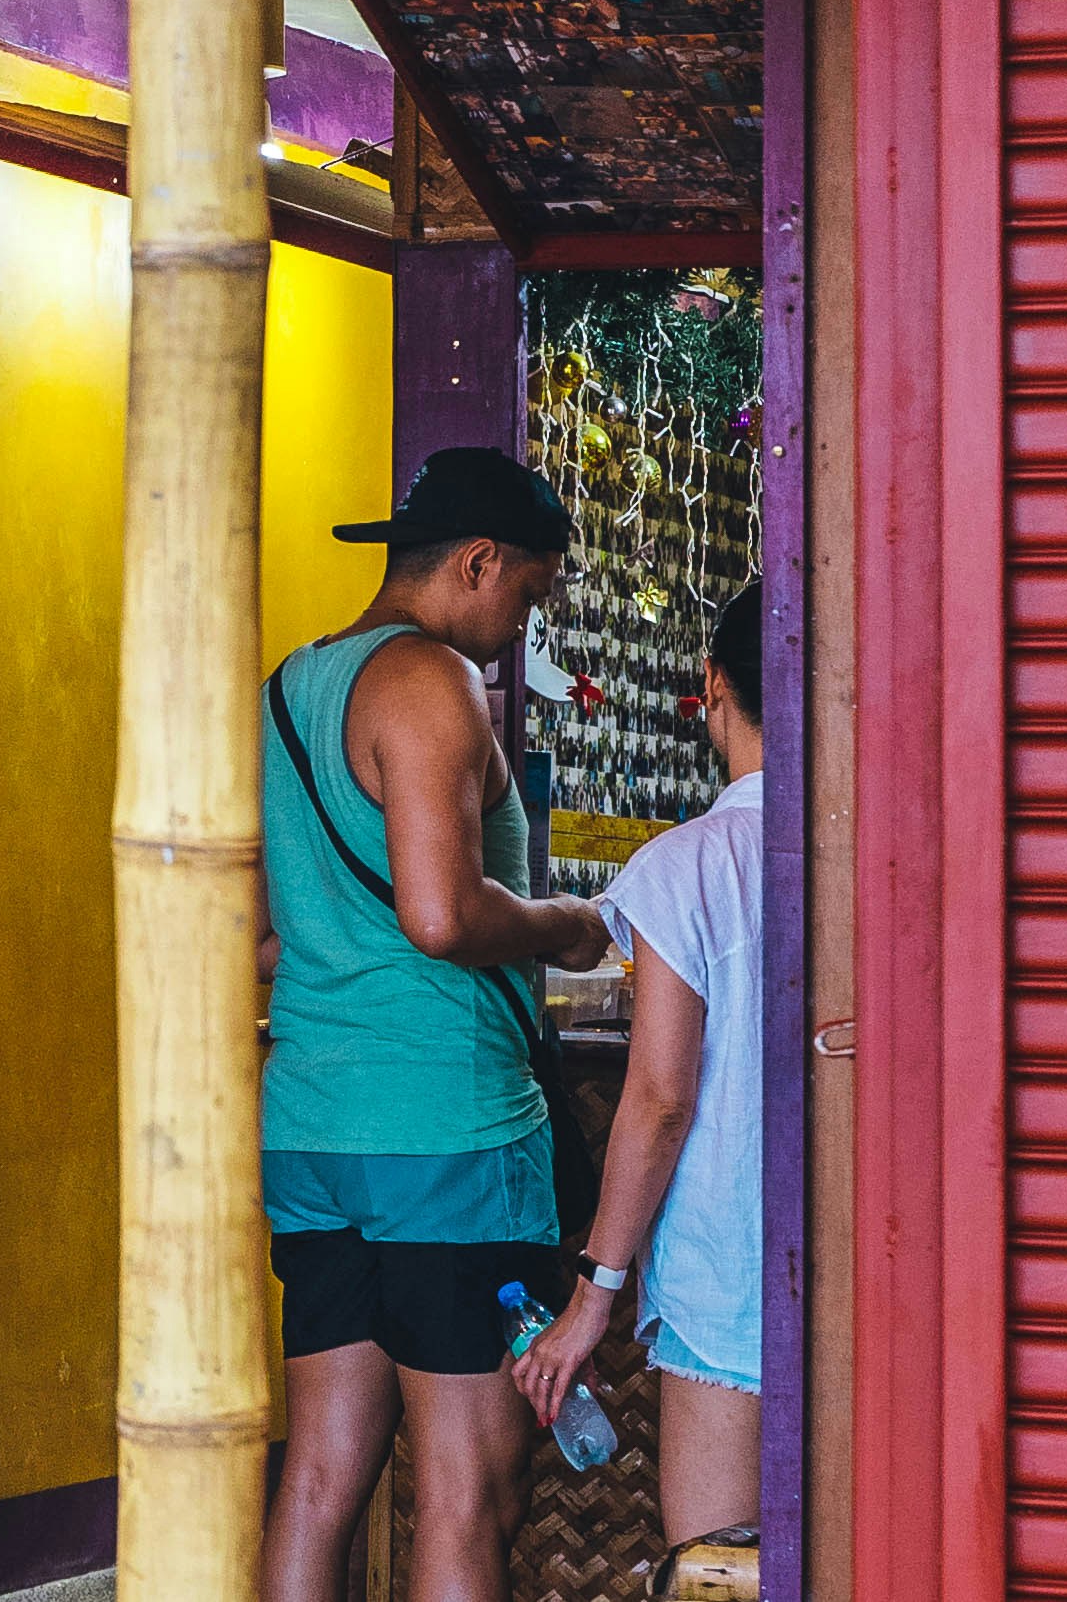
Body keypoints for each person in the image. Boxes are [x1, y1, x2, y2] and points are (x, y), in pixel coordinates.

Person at [261, 447, 613, 1602]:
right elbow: (439, 910)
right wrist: (567, 922)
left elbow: (268, 936)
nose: (523, 624)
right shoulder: (428, 681)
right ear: (479, 562)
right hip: (445, 1132)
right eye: (531, 593)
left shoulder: (293, 687)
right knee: (469, 1487)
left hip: (313, 1123)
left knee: (319, 1479)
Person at [510, 582, 766, 1547]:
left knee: (714, 1565)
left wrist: (592, 1297)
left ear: (712, 686)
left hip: (731, 1277)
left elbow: (659, 1101)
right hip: (877, 1271)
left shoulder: (692, 865)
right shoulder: (877, 851)